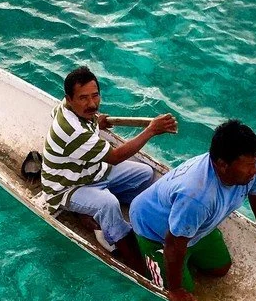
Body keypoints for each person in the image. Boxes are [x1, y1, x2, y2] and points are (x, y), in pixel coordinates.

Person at [129, 119, 256, 301]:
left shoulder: (255, 163)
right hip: (156, 233)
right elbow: (173, 245)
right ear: (222, 164)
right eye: (248, 166)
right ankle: (136, 250)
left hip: (192, 229)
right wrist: (176, 290)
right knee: (183, 296)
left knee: (221, 268)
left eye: (255, 163)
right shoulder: (197, 196)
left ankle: (187, 259)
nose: (254, 170)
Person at [41, 66, 177, 276]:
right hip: (67, 187)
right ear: (69, 99)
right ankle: (134, 262)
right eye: (83, 98)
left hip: (93, 172)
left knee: (145, 174)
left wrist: (96, 123)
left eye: (95, 96)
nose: (92, 103)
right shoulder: (73, 132)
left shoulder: (68, 108)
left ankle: (98, 211)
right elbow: (114, 157)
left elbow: (89, 120)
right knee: (108, 204)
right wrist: (150, 130)